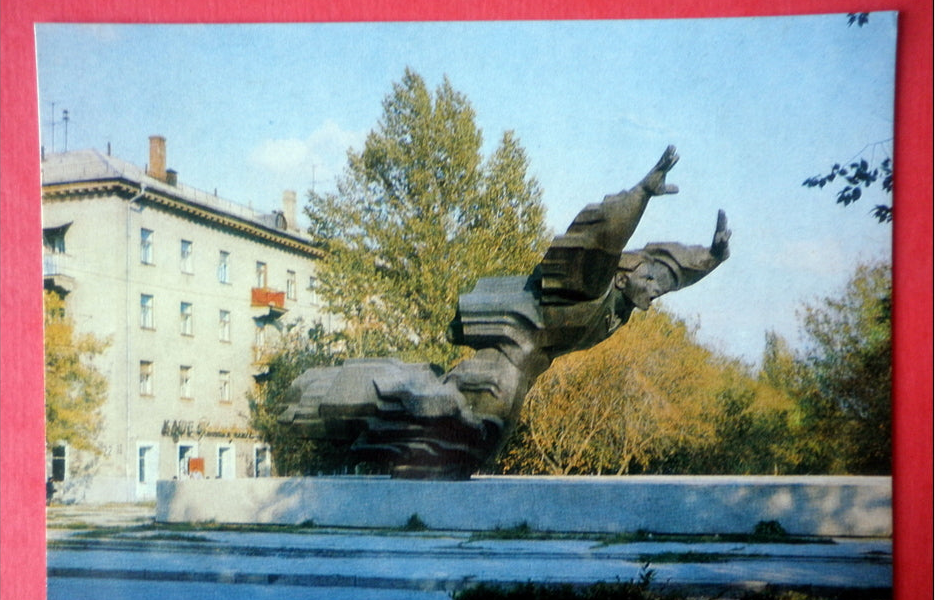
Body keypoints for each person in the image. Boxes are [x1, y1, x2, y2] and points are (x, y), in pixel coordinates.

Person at [280, 146, 731, 478]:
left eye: (661, 287)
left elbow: (677, 272)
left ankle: (375, 442)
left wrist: (709, 259)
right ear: (624, 274)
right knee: (467, 426)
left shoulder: (620, 305)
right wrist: (641, 194)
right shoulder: (594, 284)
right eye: (650, 280)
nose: (654, 291)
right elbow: (602, 240)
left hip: (525, 365)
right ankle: (344, 410)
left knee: (470, 434)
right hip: (508, 359)